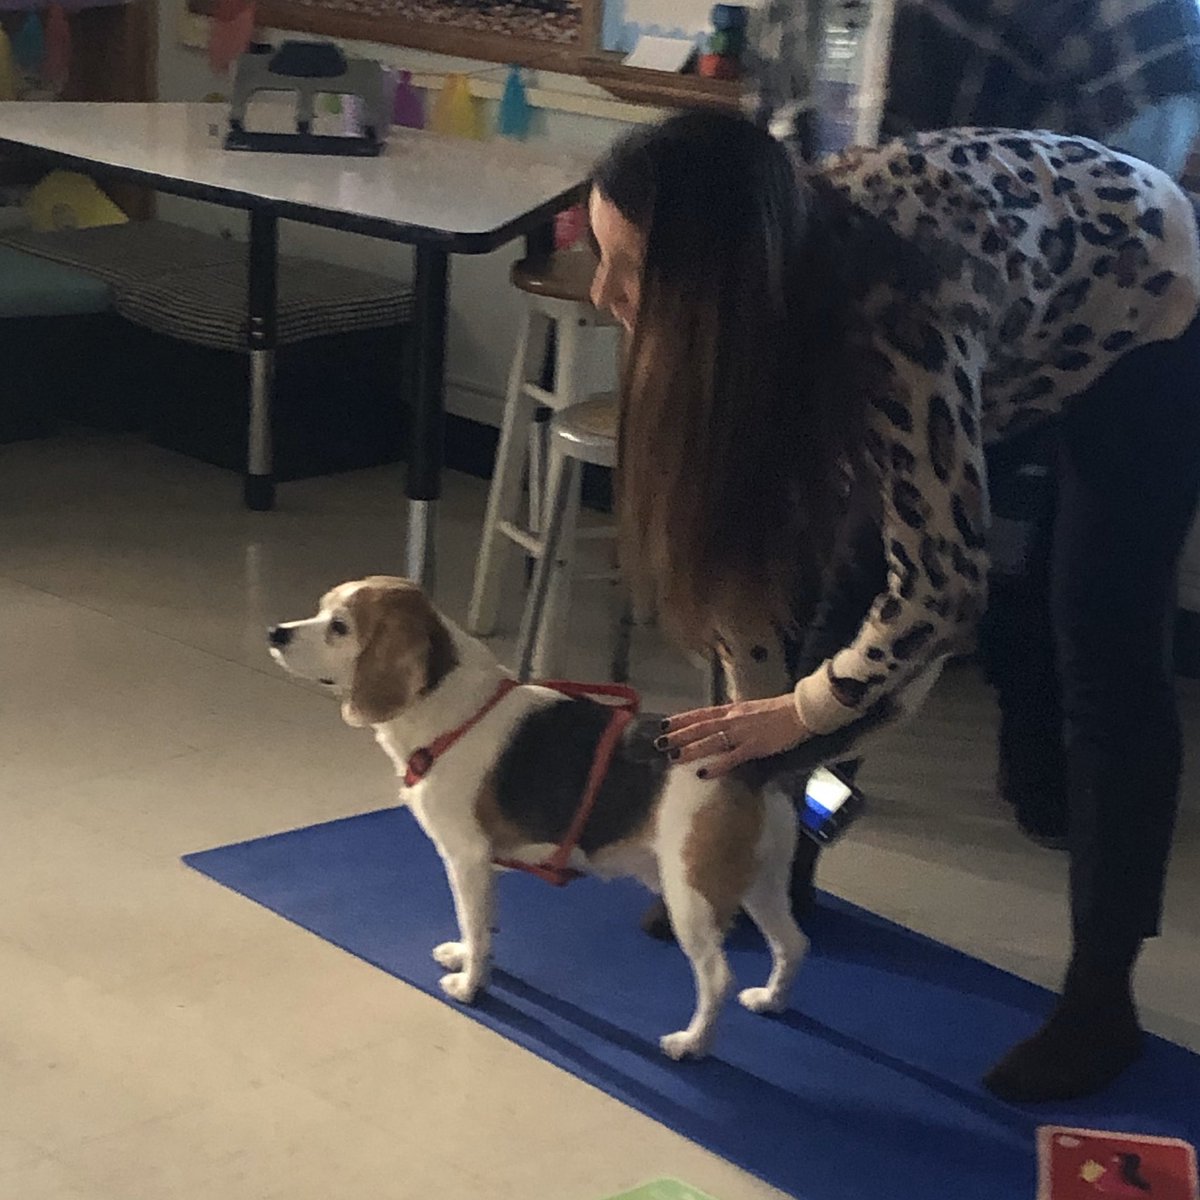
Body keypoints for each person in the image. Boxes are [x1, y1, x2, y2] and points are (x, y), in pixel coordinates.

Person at [587, 110, 1200, 1103]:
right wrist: (759, 738)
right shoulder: (775, 279)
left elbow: (943, 592)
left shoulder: (896, 332)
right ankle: (795, 856)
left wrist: (795, 714)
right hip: (1002, 293)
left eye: (630, 268)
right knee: (842, 611)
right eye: (598, 253)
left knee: (1100, 643)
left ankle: (1104, 998)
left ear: (718, 282)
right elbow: (759, 583)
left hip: (1144, 297)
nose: (602, 293)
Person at [742, 0, 1200, 843]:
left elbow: (1160, 150)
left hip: (1100, 310)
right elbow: (776, 136)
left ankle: (1059, 810)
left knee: (1089, 617)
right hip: (880, 311)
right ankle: (793, 840)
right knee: (848, 586)